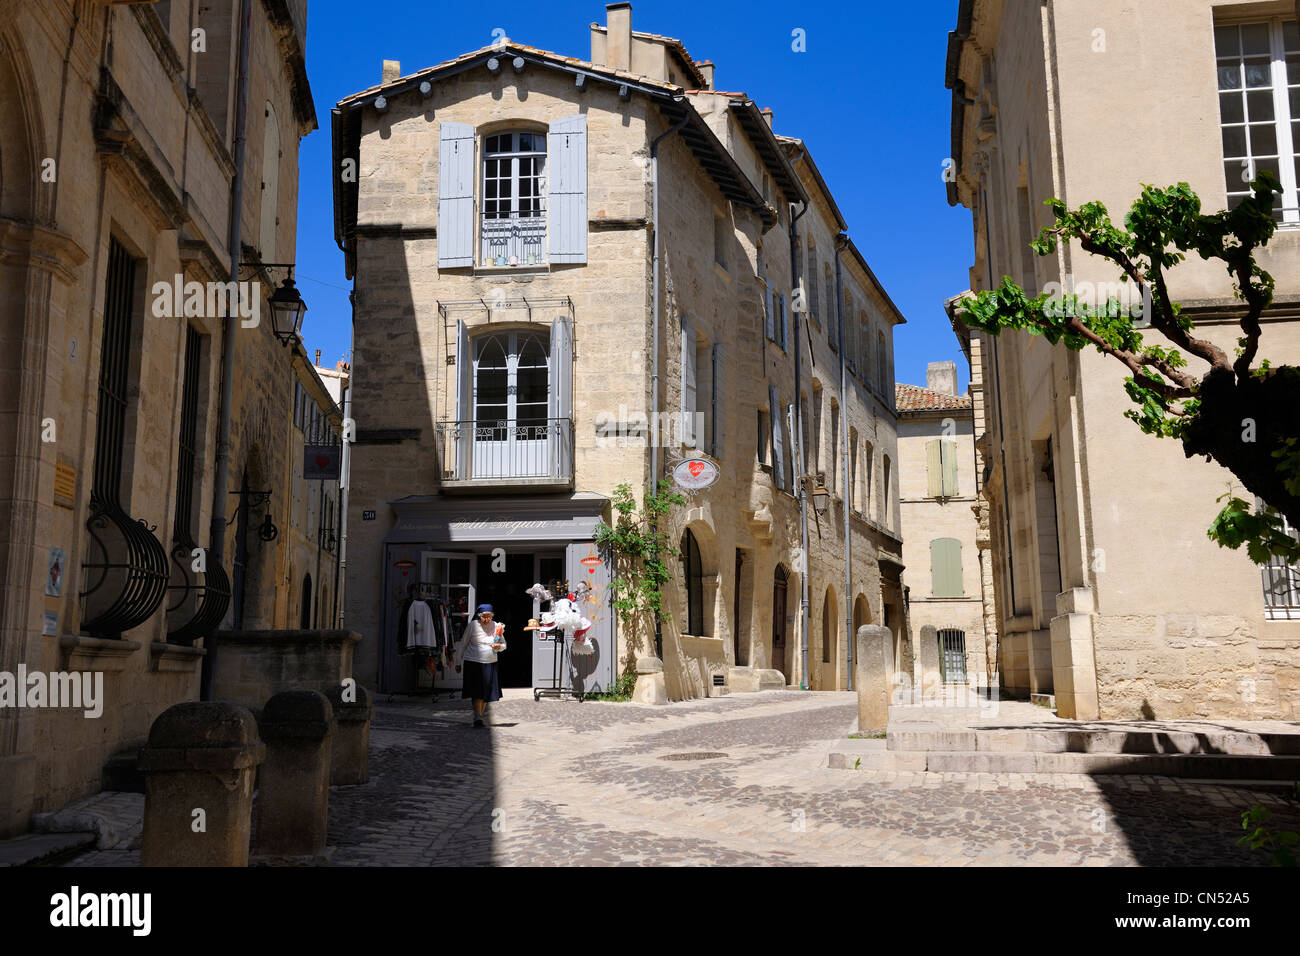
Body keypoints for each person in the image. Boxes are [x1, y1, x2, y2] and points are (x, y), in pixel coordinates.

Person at [455, 604, 505, 728]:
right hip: (474, 662)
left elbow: (504, 644)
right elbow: (463, 644)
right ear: (479, 616)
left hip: (490, 663)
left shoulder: (497, 626)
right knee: (477, 691)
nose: (486, 620)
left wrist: (499, 647)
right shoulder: (473, 626)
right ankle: (478, 717)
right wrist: (457, 662)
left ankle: (479, 716)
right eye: (484, 617)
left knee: (486, 692)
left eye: (489, 617)